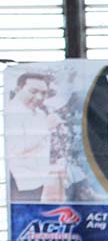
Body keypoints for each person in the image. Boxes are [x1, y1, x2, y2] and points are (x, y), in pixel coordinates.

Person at [5, 72, 68, 202]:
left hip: (36, 180)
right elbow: (15, 149)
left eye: (44, 93)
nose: (39, 97)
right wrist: (46, 127)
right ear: (18, 89)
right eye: (33, 91)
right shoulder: (11, 113)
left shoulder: (39, 113)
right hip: (19, 181)